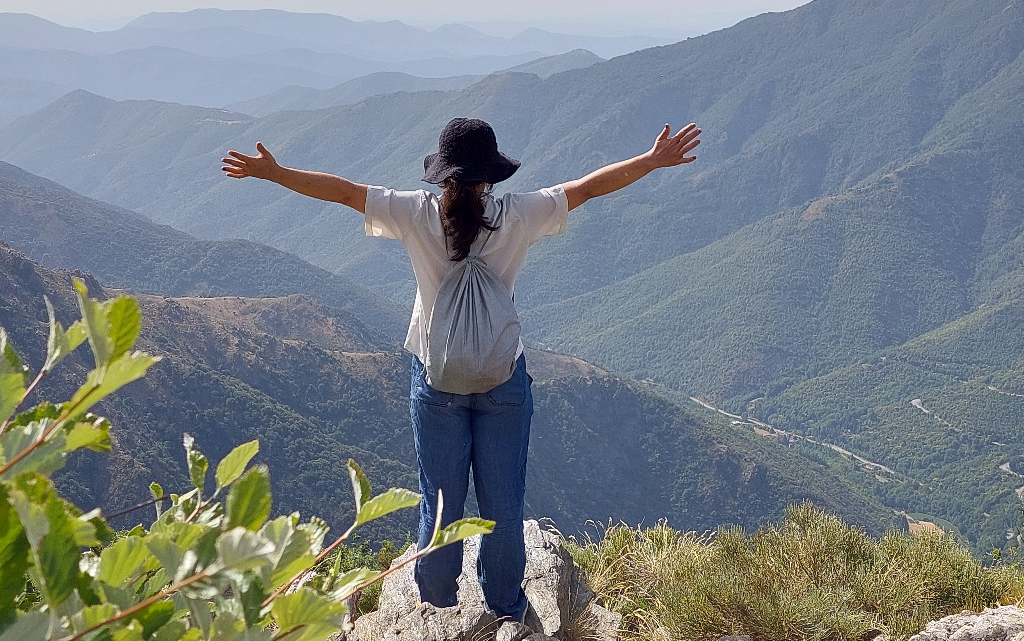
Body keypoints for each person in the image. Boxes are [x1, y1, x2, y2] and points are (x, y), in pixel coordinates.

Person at [222, 117, 700, 621]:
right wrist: (651, 161)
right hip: (502, 381)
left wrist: (275, 174)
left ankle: (436, 608)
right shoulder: (519, 214)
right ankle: (507, 609)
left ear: (441, 175)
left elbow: (343, 193)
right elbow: (587, 188)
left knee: (440, 501)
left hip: (437, 381)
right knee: (503, 504)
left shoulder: (414, 213)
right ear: (489, 178)